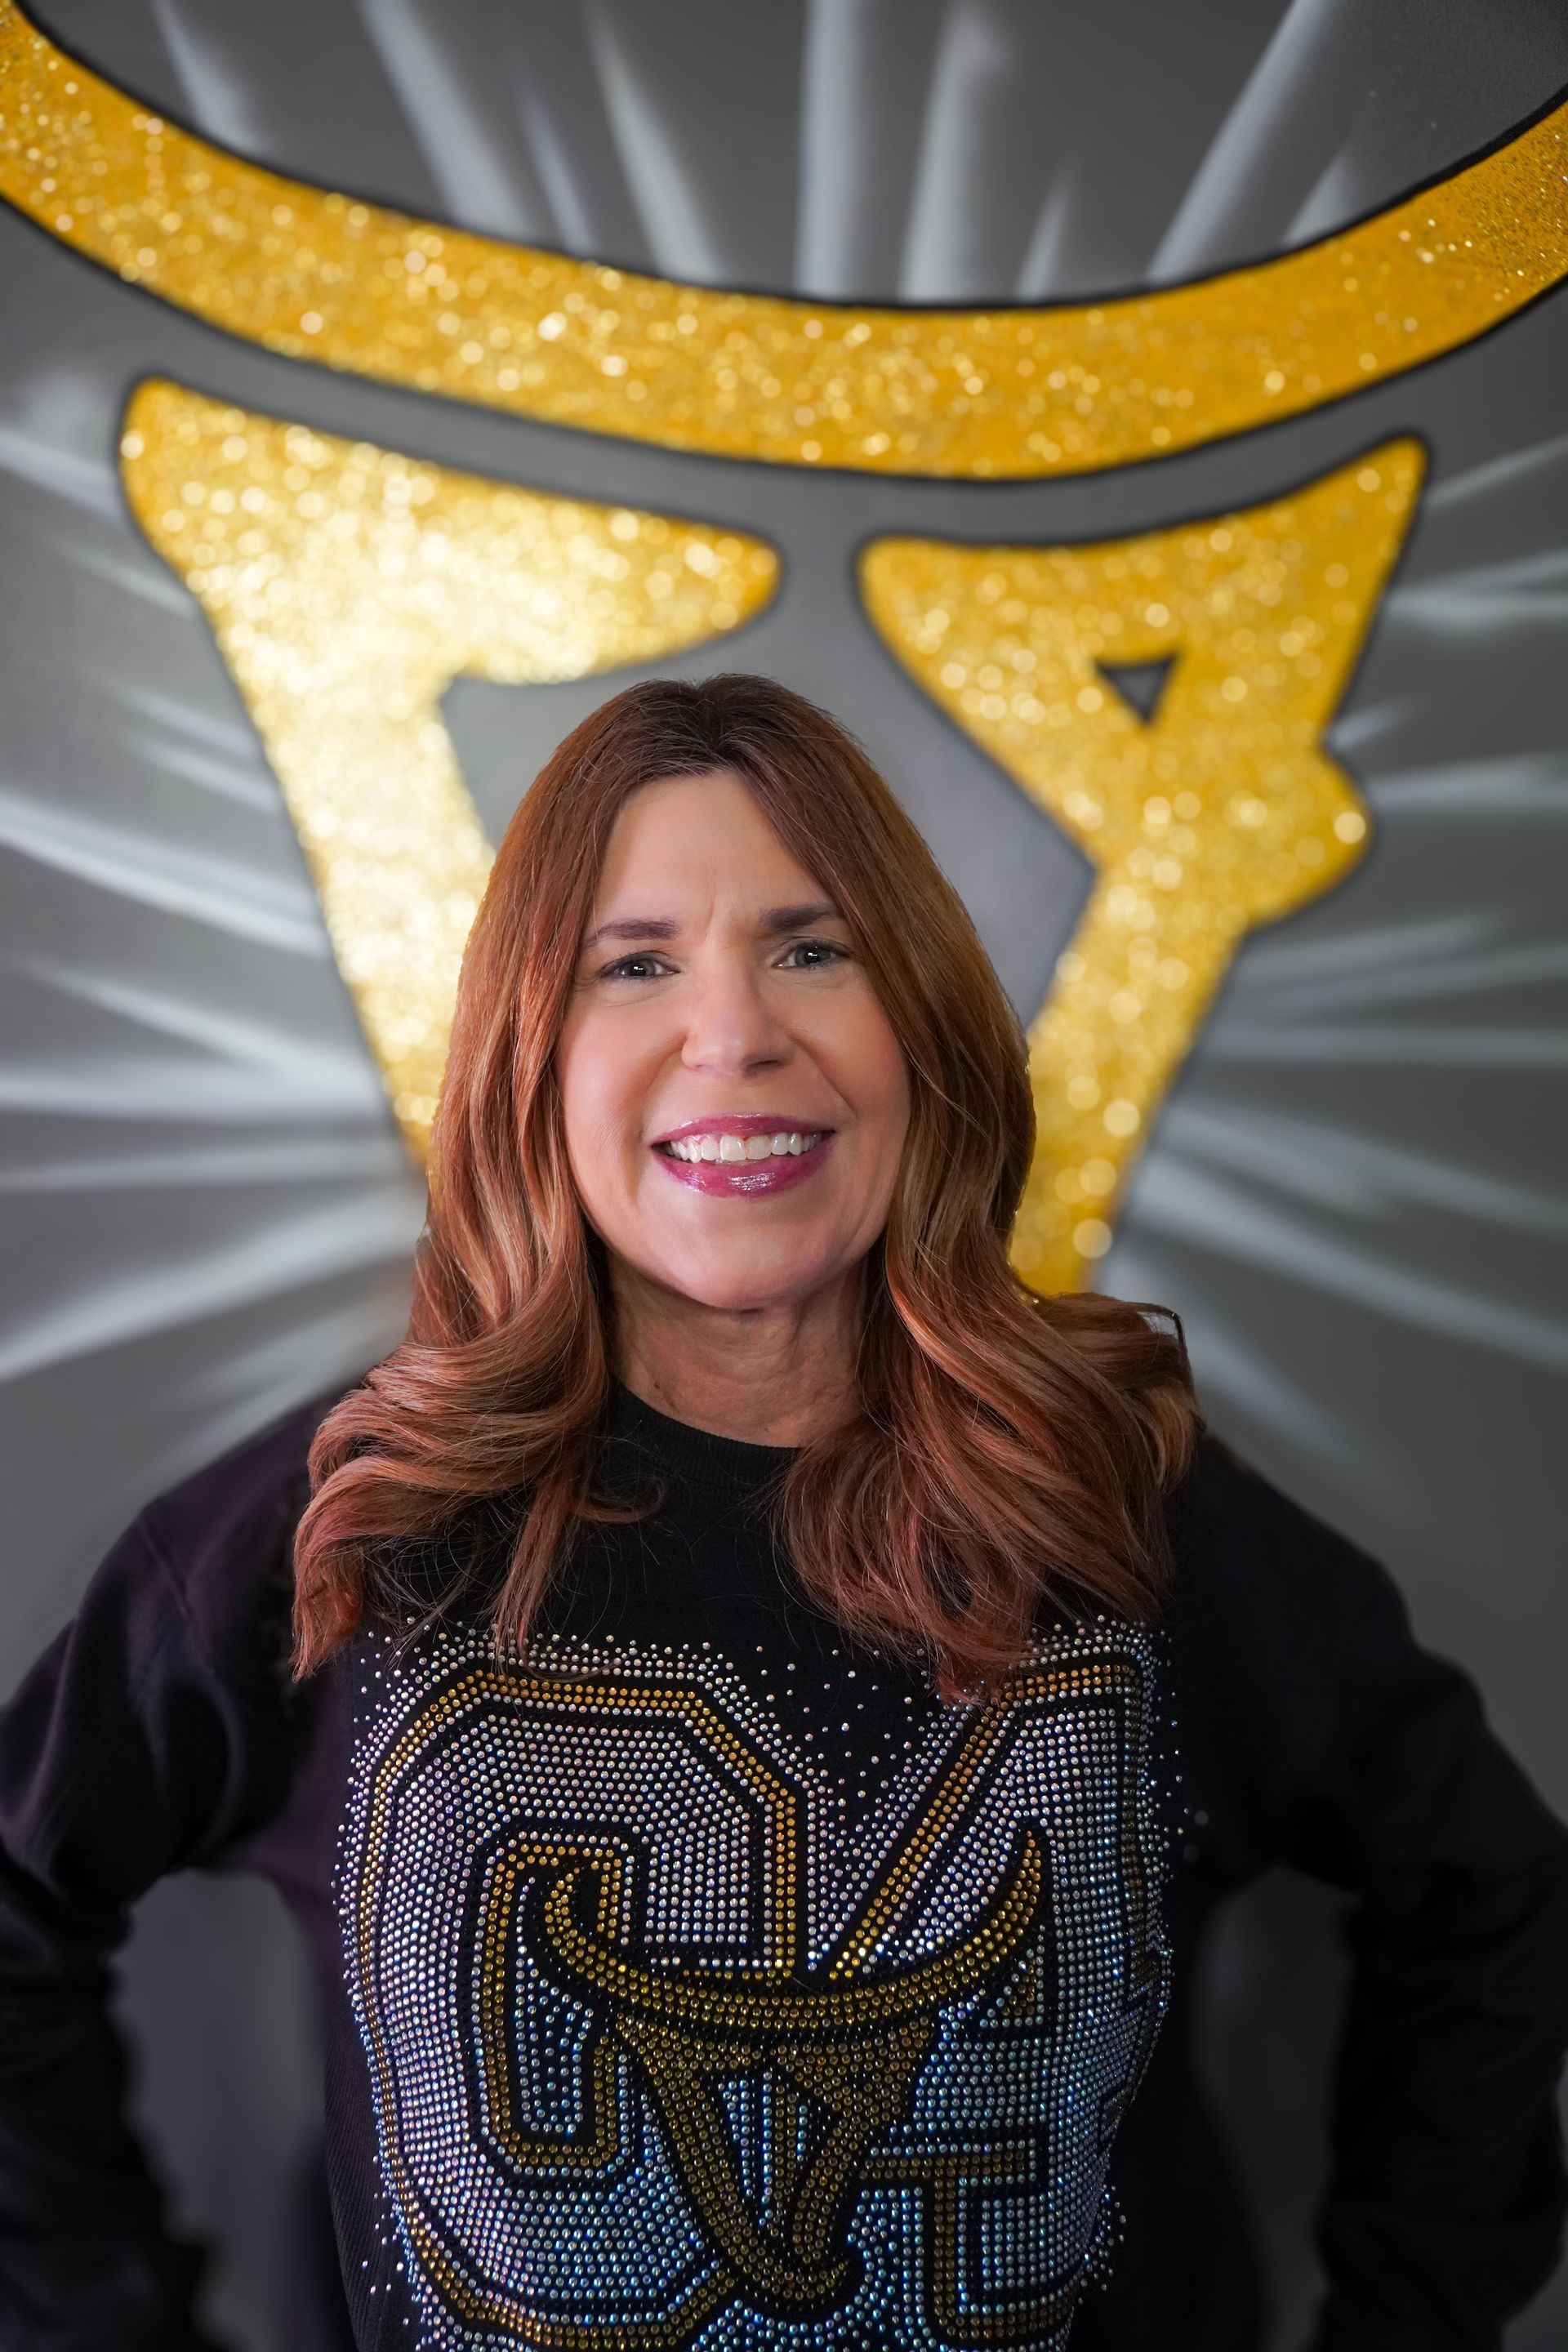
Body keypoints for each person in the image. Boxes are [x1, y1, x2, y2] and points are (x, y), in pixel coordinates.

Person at [0, 672, 1565, 2352]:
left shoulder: (1118, 1503)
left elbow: (1485, 1892)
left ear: (922, 1025)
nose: (734, 1033)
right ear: (532, 1053)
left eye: (814, 949)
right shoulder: (355, 1523)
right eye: (635, 964)